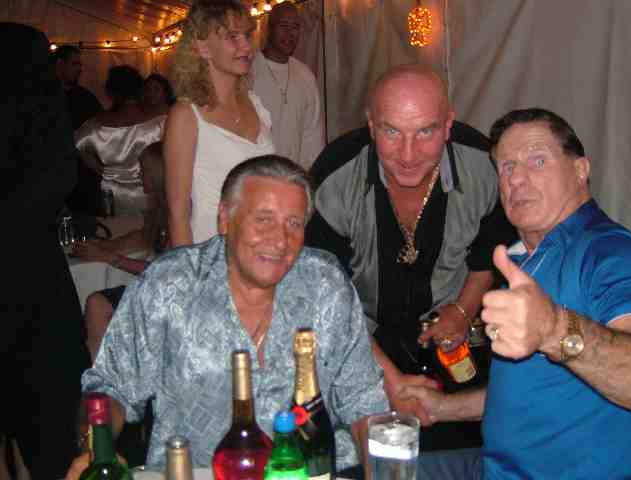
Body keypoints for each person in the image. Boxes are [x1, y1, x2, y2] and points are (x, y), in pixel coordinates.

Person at [64, 155, 388, 478]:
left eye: (294, 223)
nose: (280, 240)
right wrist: (95, 451)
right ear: (224, 219)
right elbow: (109, 389)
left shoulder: (326, 284)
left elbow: (363, 400)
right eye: (263, 219)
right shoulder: (169, 285)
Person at [403, 108, 631, 479]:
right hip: (491, 467)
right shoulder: (523, 260)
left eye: (538, 161)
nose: (517, 178)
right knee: (374, 466)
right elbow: (525, 391)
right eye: (507, 167)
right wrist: (441, 408)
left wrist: (555, 329)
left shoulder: (607, 252)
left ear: (580, 170)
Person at [305, 63, 517, 451]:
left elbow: (491, 250)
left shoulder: (483, 166)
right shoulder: (334, 177)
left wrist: (463, 311)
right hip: (361, 339)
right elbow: (324, 294)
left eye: (425, 132)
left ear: (448, 125)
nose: (408, 154)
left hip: (453, 333)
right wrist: (390, 380)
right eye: (391, 132)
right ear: (371, 126)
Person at [0, 22, 90, 480]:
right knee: (47, 412)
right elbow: (59, 178)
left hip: (27, 270)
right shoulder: (42, 105)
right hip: (33, 274)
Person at [165, 0, 274, 246]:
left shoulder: (256, 104)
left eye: (248, 35)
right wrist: (190, 268)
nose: (246, 46)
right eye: (233, 37)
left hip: (260, 249)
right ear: (203, 47)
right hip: (211, 252)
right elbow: (177, 214)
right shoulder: (187, 115)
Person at [73, 142, 168, 361]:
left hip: (167, 295)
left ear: (157, 175)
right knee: (97, 303)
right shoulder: (160, 208)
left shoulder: (178, 211)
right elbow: (141, 236)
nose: (139, 175)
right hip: (156, 289)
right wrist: (102, 247)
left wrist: (109, 257)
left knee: (97, 305)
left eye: (144, 170)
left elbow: (166, 269)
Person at [75, 65, 165, 216]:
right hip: (148, 194)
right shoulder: (159, 124)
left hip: (111, 196)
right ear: (139, 90)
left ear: (111, 92)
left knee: (115, 228)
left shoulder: (94, 126)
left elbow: (78, 146)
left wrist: (104, 171)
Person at [249, 1, 325, 170]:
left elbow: (312, 134)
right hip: (256, 174)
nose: (289, 34)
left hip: (293, 175)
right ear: (269, 29)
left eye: (295, 27)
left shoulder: (305, 75)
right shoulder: (249, 71)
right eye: (283, 26)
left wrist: (311, 174)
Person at [53, 45, 104, 216]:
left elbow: (101, 130)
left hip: (82, 179)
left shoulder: (85, 98)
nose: (80, 69)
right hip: (52, 177)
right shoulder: (42, 98)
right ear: (60, 64)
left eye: (80, 65)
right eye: (75, 64)